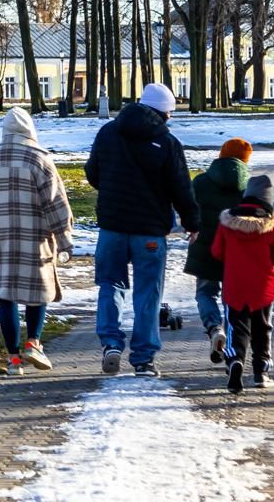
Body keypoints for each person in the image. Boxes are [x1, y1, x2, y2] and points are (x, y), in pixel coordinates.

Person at [84, 82, 199, 376]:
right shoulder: (166, 142)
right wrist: (192, 222)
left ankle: (110, 343)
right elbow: (181, 187)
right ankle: (144, 359)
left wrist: (113, 189)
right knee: (148, 293)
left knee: (111, 284)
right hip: (150, 231)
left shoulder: (109, 132)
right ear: (163, 113)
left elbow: (92, 172)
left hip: (112, 226)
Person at [0, 106, 76, 377]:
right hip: (35, 237)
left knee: (6, 296)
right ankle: (33, 342)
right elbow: (56, 203)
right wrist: (64, 240)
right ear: (30, 131)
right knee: (38, 291)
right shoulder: (40, 159)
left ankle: (13, 360)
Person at [212, 174, 274, 393]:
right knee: (263, 329)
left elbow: (217, 252)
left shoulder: (227, 222)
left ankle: (235, 361)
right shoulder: (272, 225)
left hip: (234, 287)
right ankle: (261, 373)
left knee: (237, 328)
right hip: (262, 289)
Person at [184, 138, 252, 365]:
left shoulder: (201, 181)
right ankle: (233, 344)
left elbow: (188, 209)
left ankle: (214, 328)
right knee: (233, 298)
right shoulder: (248, 186)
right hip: (237, 251)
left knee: (205, 292)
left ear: (221, 155)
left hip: (205, 246)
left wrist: (190, 228)